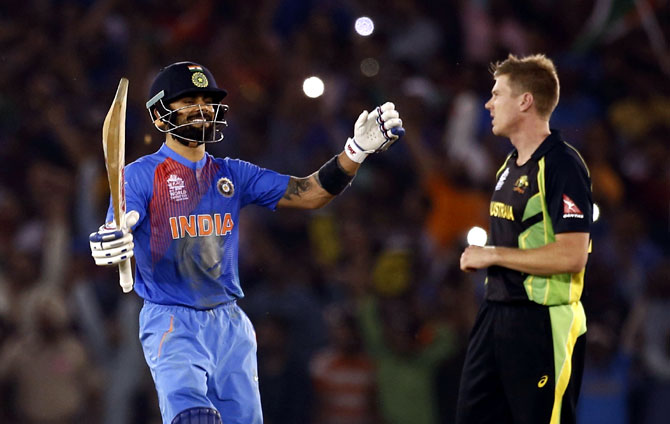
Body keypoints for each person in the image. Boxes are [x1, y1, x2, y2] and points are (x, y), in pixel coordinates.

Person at [88, 61, 404, 424]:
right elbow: (115, 231)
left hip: (232, 325)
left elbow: (310, 193)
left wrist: (354, 151)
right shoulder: (140, 175)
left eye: (207, 100)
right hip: (172, 321)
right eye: (188, 100)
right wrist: (110, 242)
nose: (202, 108)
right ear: (160, 117)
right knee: (194, 418)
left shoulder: (232, 173)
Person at [456, 54, 593, 424]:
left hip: (543, 323)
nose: (488, 103)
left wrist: (493, 255)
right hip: (496, 316)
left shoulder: (562, 165)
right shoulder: (509, 166)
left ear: (525, 101)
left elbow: (572, 255)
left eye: (497, 93)